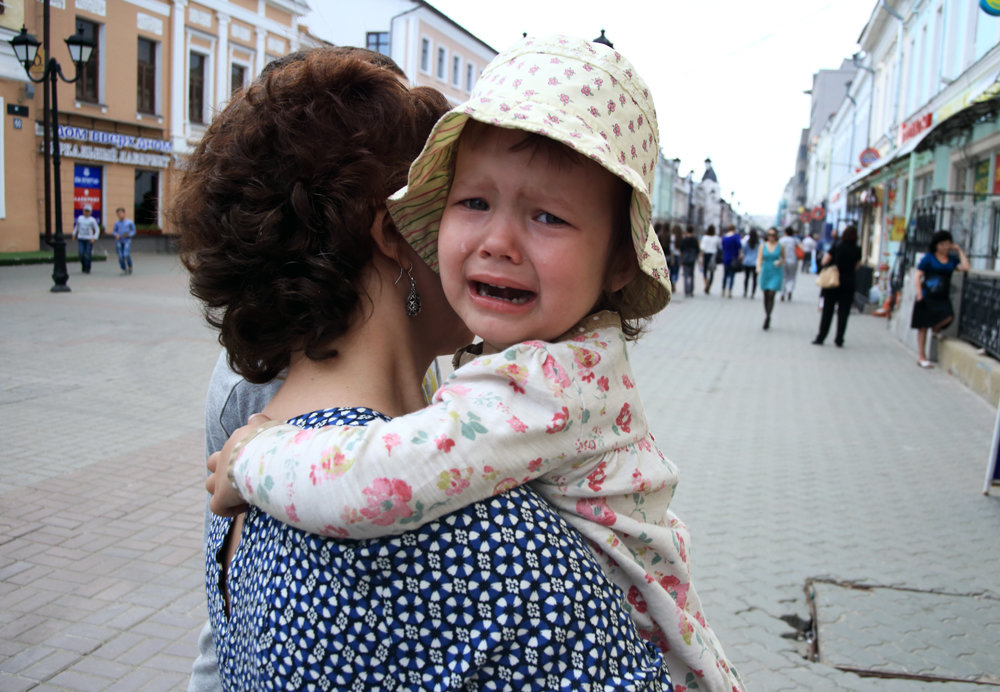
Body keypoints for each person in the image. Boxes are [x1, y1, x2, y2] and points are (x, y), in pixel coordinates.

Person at [208, 35, 745, 691]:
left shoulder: (254, 473)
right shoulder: (482, 533)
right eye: (467, 203)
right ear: (395, 233)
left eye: (547, 216)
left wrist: (251, 457)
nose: (496, 243)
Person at [911, 230, 970, 368]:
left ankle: (936, 330)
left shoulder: (951, 260)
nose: (945, 247)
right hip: (927, 295)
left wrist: (959, 250)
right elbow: (918, 275)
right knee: (922, 327)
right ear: (936, 245)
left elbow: (966, 267)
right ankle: (921, 356)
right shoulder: (929, 258)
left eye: (948, 244)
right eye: (942, 244)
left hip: (942, 296)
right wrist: (919, 293)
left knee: (948, 316)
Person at [812, 225, 862, 347]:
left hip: (832, 282)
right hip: (848, 282)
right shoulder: (857, 249)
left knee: (827, 311)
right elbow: (858, 265)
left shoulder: (837, 246)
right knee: (844, 313)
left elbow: (825, 261)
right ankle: (839, 339)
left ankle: (821, 337)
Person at [757, 227, 784, 330]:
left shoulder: (781, 246)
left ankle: (768, 317)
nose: (771, 237)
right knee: (766, 295)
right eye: (769, 235)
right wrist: (758, 267)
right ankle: (767, 314)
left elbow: (784, 258)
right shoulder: (762, 245)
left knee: (772, 294)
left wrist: (780, 262)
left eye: (773, 235)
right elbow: (759, 258)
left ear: (776, 236)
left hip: (776, 271)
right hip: (766, 270)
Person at [71, 205, 100, 274]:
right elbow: (76, 227)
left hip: (89, 239)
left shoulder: (92, 220)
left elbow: (97, 229)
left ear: (90, 212)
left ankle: (87, 267)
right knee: (81, 253)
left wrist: (94, 237)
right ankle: (83, 265)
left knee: (87, 254)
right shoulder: (80, 218)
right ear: (83, 211)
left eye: (88, 211)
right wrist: (74, 234)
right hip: (81, 238)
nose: (87, 212)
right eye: (85, 211)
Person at [720, 224, 742, 298]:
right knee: (732, 275)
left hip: (725, 257)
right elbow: (739, 246)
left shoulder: (724, 237)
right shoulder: (736, 237)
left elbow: (722, 247)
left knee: (725, 275)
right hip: (733, 258)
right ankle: (730, 291)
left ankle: (723, 290)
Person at [778, 226, 800, 301]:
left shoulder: (781, 240)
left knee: (783, 277)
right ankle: (790, 290)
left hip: (783, 260)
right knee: (792, 276)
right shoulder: (795, 240)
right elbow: (801, 248)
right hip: (793, 260)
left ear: (785, 232)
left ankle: (782, 293)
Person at [113, 207, 136, 275]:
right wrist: (116, 234)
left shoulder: (129, 222)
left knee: (126, 254)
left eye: (120, 213)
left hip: (126, 240)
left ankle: (130, 265)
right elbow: (114, 231)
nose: (119, 215)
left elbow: (133, 231)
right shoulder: (117, 223)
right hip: (119, 241)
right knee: (120, 256)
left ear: (124, 213)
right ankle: (123, 268)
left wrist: (129, 234)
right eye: (118, 214)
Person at [699, 224, 721, 294]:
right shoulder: (716, 238)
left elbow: (702, 248)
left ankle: (706, 282)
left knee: (705, 270)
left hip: (706, 255)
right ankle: (710, 284)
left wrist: (701, 257)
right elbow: (719, 246)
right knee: (712, 272)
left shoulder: (705, 237)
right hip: (713, 255)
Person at [679, 225, 699, 297]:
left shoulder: (684, 239)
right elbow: (697, 250)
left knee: (685, 275)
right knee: (692, 274)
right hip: (692, 258)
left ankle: (686, 290)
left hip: (685, 257)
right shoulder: (695, 239)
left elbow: (681, 249)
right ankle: (691, 290)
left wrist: (680, 259)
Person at [741, 228, 760, 298]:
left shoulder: (747, 243)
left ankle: (745, 291)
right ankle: (752, 293)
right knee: (754, 279)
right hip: (755, 263)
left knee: (746, 278)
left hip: (747, 262)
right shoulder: (758, 243)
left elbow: (744, 252)